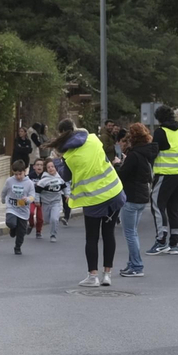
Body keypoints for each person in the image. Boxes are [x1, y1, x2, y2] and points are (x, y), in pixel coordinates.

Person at [49, 119, 125, 286]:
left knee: (92, 238)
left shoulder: (69, 156)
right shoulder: (93, 139)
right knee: (109, 234)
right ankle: (107, 275)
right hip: (114, 193)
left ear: (62, 135)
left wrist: (56, 160)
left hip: (93, 200)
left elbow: (66, 176)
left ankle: (93, 277)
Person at [147, 105, 178, 257]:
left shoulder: (161, 132)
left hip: (165, 175)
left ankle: (161, 241)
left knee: (157, 205)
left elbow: (153, 153)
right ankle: (174, 243)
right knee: (175, 208)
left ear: (158, 118)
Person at [117, 123, 159, 277]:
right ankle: (131, 264)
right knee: (133, 232)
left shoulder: (134, 155)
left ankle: (136, 266)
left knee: (130, 233)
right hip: (142, 196)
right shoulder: (146, 153)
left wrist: (118, 165)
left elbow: (123, 175)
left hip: (131, 196)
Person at [0, 160, 40, 255]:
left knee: (21, 232)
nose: (18, 176)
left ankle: (17, 247)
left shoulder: (29, 183)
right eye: (16, 174)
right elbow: (4, 191)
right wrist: (3, 199)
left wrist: (28, 199)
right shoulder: (10, 181)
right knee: (10, 222)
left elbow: (32, 195)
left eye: (20, 174)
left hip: (23, 209)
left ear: (25, 171)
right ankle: (12, 229)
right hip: (12, 207)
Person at [35, 160, 66, 242]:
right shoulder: (43, 180)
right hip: (46, 203)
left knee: (54, 219)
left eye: (52, 167)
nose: (51, 169)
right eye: (48, 167)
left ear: (55, 168)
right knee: (47, 220)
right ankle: (54, 221)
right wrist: (37, 200)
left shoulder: (59, 179)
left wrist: (67, 195)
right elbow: (37, 191)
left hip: (56, 202)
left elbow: (64, 187)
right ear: (46, 169)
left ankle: (53, 234)